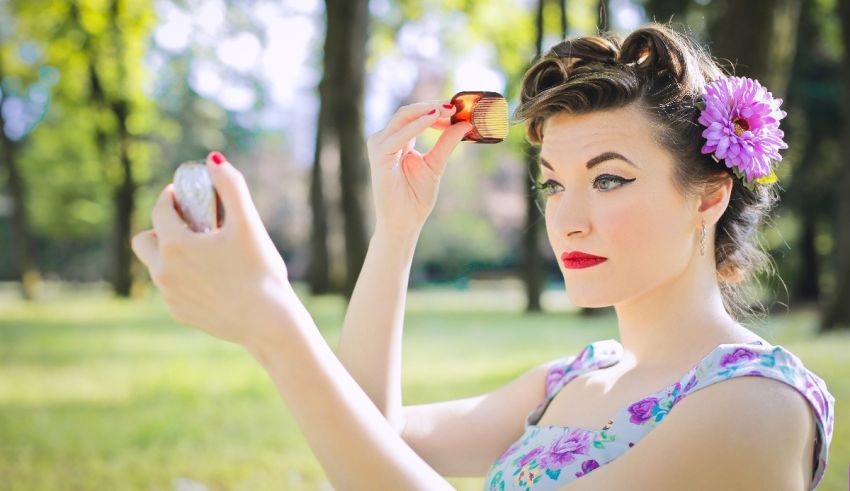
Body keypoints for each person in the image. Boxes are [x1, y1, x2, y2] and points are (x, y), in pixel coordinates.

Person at [131, 23, 834, 490]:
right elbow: (370, 437)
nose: (569, 217)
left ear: (709, 194)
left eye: (610, 178)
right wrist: (397, 228)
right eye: (554, 182)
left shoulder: (756, 404)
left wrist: (276, 325)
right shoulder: (572, 379)